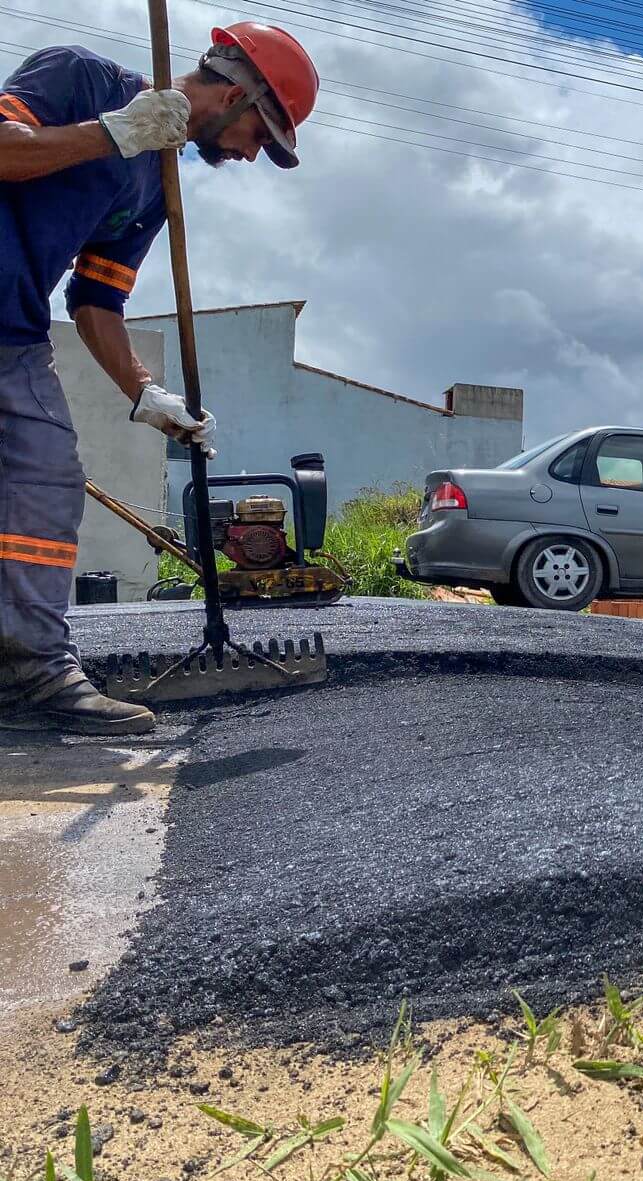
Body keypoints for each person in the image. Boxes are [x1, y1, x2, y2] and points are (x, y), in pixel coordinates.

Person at [0, 25, 319, 735]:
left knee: (44, 487)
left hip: (13, 339)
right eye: (258, 136)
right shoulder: (78, 79)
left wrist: (145, 393)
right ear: (236, 93)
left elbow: (96, 300)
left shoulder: (160, 183)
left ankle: (30, 676)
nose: (247, 155)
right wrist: (111, 133)